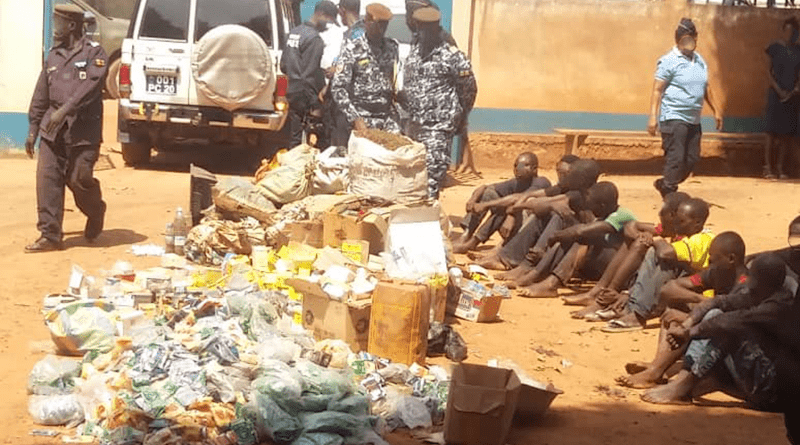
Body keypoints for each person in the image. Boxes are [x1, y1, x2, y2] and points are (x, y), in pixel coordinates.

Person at [616, 231, 749, 389]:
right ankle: (658, 366)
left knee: (694, 318)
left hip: (736, 351)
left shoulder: (746, 285)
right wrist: (704, 302)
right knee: (672, 312)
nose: (708, 261)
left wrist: (693, 317)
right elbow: (670, 288)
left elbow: (727, 321)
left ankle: (655, 372)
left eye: (713, 258)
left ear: (731, 259)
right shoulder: (716, 273)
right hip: (713, 329)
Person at [24, 4, 108, 253]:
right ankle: (50, 235)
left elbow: (91, 87)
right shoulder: (53, 56)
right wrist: (32, 128)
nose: (55, 29)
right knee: (47, 180)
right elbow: (42, 94)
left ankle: (96, 210)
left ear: (72, 26)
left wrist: (65, 110)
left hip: (83, 133)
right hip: (53, 132)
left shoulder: (95, 53)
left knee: (79, 179)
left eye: (58, 24)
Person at [565, 192, 691, 312]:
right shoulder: (667, 230)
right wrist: (640, 236)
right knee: (633, 242)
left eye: (663, 210)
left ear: (673, 215)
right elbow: (630, 225)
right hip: (649, 279)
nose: (659, 213)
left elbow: (665, 254)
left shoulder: (687, 237)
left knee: (639, 245)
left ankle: (606, 295)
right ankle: (600, 291)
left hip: (667, 285)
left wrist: (651, 241)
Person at [602, 198, 714, 333]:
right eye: (676, 219)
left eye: (681, 221)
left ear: (697, 223)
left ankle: (638, 315)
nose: (676, 224)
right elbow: (632, 226)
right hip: (683, 290)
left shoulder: (701, 240)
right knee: (654, 252)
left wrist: (654, 240)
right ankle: (632, 307)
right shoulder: (685, 234)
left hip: (701, 299)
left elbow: (665, 253)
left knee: (666, 260)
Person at [401, 7, 477, 199]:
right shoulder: (414, 54)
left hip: (438, 128)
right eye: (420, 29)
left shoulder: (452, 57)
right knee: (412, 181)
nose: (423, 34)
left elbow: (469, 89)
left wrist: (459, 116)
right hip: (414, 127)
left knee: (431, 181)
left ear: (436, 29)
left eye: (428, 29)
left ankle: (426, 222)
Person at [474, 159, 600, 273]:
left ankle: (519, 262)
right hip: (564, 237)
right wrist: (513, 210)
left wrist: (515, 209)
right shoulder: (568, 187)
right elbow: (533, 197)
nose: (564, 177)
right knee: (542, 211)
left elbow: (545, 203)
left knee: (550, 213)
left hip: (581, 249)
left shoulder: (580, 194)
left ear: (581, 179)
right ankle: (503, 256)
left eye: (569, 174)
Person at [515, 181, 637, 298]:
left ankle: (551, 284)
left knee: (582, 239)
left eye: (592, 205)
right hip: (600, 268)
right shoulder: (604, 215)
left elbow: (581, 231)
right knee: (575, 237)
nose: (590, 209)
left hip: (620, 271)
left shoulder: (622, 215)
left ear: (602, 205)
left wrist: (555, 236)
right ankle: (537, 274)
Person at [648, 18, 723, 198]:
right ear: (678, 40)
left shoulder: (699, 61)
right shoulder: (668, 61)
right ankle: (670, 198)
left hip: (693, 119)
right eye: (685, 38)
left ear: (696, 38)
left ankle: (666, 184)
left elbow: (706, 87)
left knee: (691, 159)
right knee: (676, 158)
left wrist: (716, 110)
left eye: (692, 37)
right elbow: (657, 90)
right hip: (674, 117)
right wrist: (653, 117)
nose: (690, 41)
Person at [452, 152, 550, 254]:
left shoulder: (541, 182)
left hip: (532, 227)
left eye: (522, 166)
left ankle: (475, 242)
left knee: (505, 207)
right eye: (515, 165)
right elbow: (485, 187)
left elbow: (518, 198)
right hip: (512, 222)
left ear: (534, 169)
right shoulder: (517, 182)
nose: (517, 169)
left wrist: (486, 205)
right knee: (489, 194)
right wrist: (473, 199)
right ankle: (467, 235)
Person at [331, 3, 400, 139]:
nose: (381, 29)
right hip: (362, 118)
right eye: (377, 24)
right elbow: (338, 88)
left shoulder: (392, 48)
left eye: (384, 25)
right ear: (367, 23)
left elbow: (393, 81)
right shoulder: (353, 49)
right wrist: (355, 118)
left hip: (387, 119)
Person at [281, 0, 339, 147]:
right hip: (307, 95)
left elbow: (283, 65)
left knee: (295, 137)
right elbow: (310, 73)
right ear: (320, 14)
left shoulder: (293, 33)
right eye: (329, 21)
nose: (328, 26)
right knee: (316, 137)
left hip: (292, 91)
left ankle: (293, 166)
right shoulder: (314, 39)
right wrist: (317, 100)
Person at [763, 18, 800, 179]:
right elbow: (767, 71)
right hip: (775, 95)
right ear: (783, 30)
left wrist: (796, 88)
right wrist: (778, 90)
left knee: (786, 134)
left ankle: (780, 168)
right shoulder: (775, 48)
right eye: (787, 31)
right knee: (771, 133)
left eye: (793, 32)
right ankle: (767, 168)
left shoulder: (798, 50)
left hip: (792, 97)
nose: (790, 35)